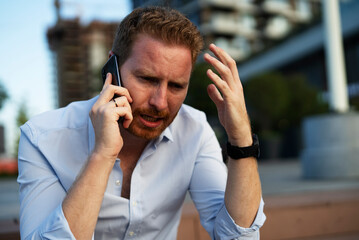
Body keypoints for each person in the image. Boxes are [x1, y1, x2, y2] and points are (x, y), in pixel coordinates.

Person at [18, 6, 265, 240]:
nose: (160, 103)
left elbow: (237, 237)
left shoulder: (195, 130)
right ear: (111, 68)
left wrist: (241, 137)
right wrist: (102, 154)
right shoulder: (42, 137)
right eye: (147, 79)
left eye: (177, 86)